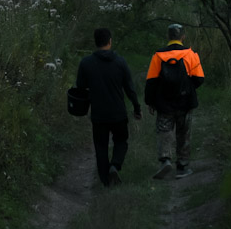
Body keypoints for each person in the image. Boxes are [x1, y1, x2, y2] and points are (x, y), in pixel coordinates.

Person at [74, 27, 141, 186]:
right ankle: (115, 165)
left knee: (100, 147)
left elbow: (80, 87)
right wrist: (137, 107)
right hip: (118, 112)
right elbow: (130, 88)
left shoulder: (86, 63)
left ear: (95, 42)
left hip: (99, 114)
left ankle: (105, 182)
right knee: (121, 141)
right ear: (110, 41)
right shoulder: (120, 62)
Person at [144, 23, 205, 179]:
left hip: (164, 104)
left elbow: (151, 82)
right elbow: (199, 79)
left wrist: (150, 101)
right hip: (185, 103)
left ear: (168, 37)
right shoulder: (190, 54)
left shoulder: (158, 56)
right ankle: (182, 167)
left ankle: (165, 160)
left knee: (164, 131)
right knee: (183, 134)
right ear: (182, 37)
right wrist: (188, 88)